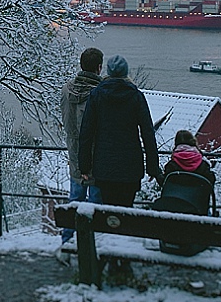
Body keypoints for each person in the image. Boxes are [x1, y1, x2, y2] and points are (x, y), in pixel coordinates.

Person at [78, 54, 163, 207]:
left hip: (104, 165)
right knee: (126, 210)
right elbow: (148, 133)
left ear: (108, 72)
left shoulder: (96, 95)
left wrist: (84, 166)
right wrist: (153, 167)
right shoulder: (136, 96)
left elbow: (86, 133)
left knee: (108, 209)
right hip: (130, 166)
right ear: (126, 73)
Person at [59, 47, 103, 245]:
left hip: (74, 152)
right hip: (95, 155)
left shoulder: (67, 89)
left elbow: (65, 119)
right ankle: (90, 242)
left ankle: (67, 239)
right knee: (96, 202)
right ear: (99, 67)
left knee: (74, 199)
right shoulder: (99, 92)